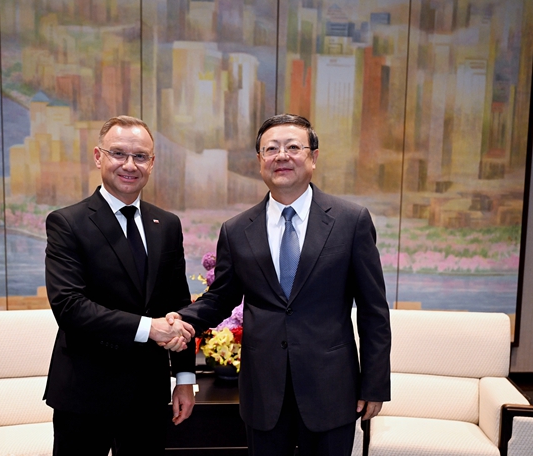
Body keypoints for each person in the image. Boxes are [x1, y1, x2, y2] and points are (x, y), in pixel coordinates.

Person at [166, 114, 391, 456]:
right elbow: (221, 298)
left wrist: (374, 383)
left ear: (313, 157)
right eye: (270, 149)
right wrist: (182, 321)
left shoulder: (351, 222)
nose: (281, 156)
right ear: (260, 161)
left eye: (292, 147)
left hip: (331, 387)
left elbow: (374, 310)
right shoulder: (237, 229)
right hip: (263, 390)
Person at [43, 115, 196, 456]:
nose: (129, 165)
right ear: (99, 157)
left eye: (140, 156)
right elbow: (69, 307)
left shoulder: (167, 224)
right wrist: (149, 328)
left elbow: (179, 306)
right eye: (118, 154)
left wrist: (184, 380)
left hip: (148, 393)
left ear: (152, 163)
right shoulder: (68, 223)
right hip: (84, 392)